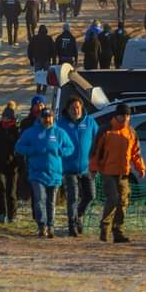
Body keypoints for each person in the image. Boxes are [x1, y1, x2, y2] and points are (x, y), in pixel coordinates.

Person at [90, 103, 146, 243]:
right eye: (123, 115)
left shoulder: (131, 132)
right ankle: (105, 228)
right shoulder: (105, 130)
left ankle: (118, 231)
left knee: (123, 202)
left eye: (127, 115)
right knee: (113, 199)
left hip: (124, 172)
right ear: (116, 115)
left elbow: (136, 153)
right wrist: (93, 169)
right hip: (108, 172)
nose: (125, 118)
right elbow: (95, 152)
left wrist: (141, 168)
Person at [15, 106, 73, 238]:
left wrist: (61, 151)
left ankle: (51, 226)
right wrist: (32, 150)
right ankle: (41, 225)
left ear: (53, 117)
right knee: (40, 199)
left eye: (50, 117)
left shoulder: (59, 132)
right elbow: (19, 146)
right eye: (45, 117)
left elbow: (70, 147)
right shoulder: (31, 132)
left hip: (55, 173)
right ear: (40, 118)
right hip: (37, 173)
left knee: (51, 201)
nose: (47, 119)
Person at [56, 96, 99, 237]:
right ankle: (72, 225)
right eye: (72, 108)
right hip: (68, 167)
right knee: (73, 197)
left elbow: (98, 141)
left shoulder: (90, 122)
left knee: (91, 195)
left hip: (87, 167)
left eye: (77, 107)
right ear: (67, 110)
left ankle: (79, 214)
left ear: (81, 107)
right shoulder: (60, 124)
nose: (75, 110)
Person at [0, 102, 20, 223]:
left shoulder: (16, 131)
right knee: (0, 189)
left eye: (8, 117)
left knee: (11, 191)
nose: (5, 119)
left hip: (12, 165)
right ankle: (1, 214)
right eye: (4, 116)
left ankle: (12, 216)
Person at [27, 24, 56, 93]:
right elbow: (53, 50)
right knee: (46, 75)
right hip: (47, 60)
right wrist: (54, 61)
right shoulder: (49, 38)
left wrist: (31, 59)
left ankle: (38, 86)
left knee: (38, 75)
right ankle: (44, 88)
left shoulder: (34, 38)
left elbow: (29, 50)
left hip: (37, 60)